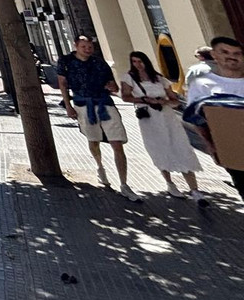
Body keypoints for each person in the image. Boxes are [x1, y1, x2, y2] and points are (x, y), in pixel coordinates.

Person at [56, 36, 139, 200]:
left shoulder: (99, 63)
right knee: (93, 140)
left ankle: (124, 184)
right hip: (83, 105)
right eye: (84, 46)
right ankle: (100, 166)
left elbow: (113, 86)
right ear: (76, 46)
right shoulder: (65, 61)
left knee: (117, 142)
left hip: (105, 103)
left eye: (90, 47)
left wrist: (112, 87)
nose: (88, 49)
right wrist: (68, 105)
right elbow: (63, 84)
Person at [120, 50, 203, 200]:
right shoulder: (129, 78)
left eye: (140, 61)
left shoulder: (159, 78)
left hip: (167, 116)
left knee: (181, 146)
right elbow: (126, 97)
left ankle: (194, 189)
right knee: (159, 147)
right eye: (134, 62)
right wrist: (144, 100)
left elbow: (174, 100)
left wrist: (163, 101)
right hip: (149, 118)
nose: (138, 65)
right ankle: (170, 183)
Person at [185, 36, 244, 200]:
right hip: (232, 150)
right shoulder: (202, 85)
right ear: (214, 55)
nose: (232, 57)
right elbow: (197, 120)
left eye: (237, 53)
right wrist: (211, 146)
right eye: (225, 52)